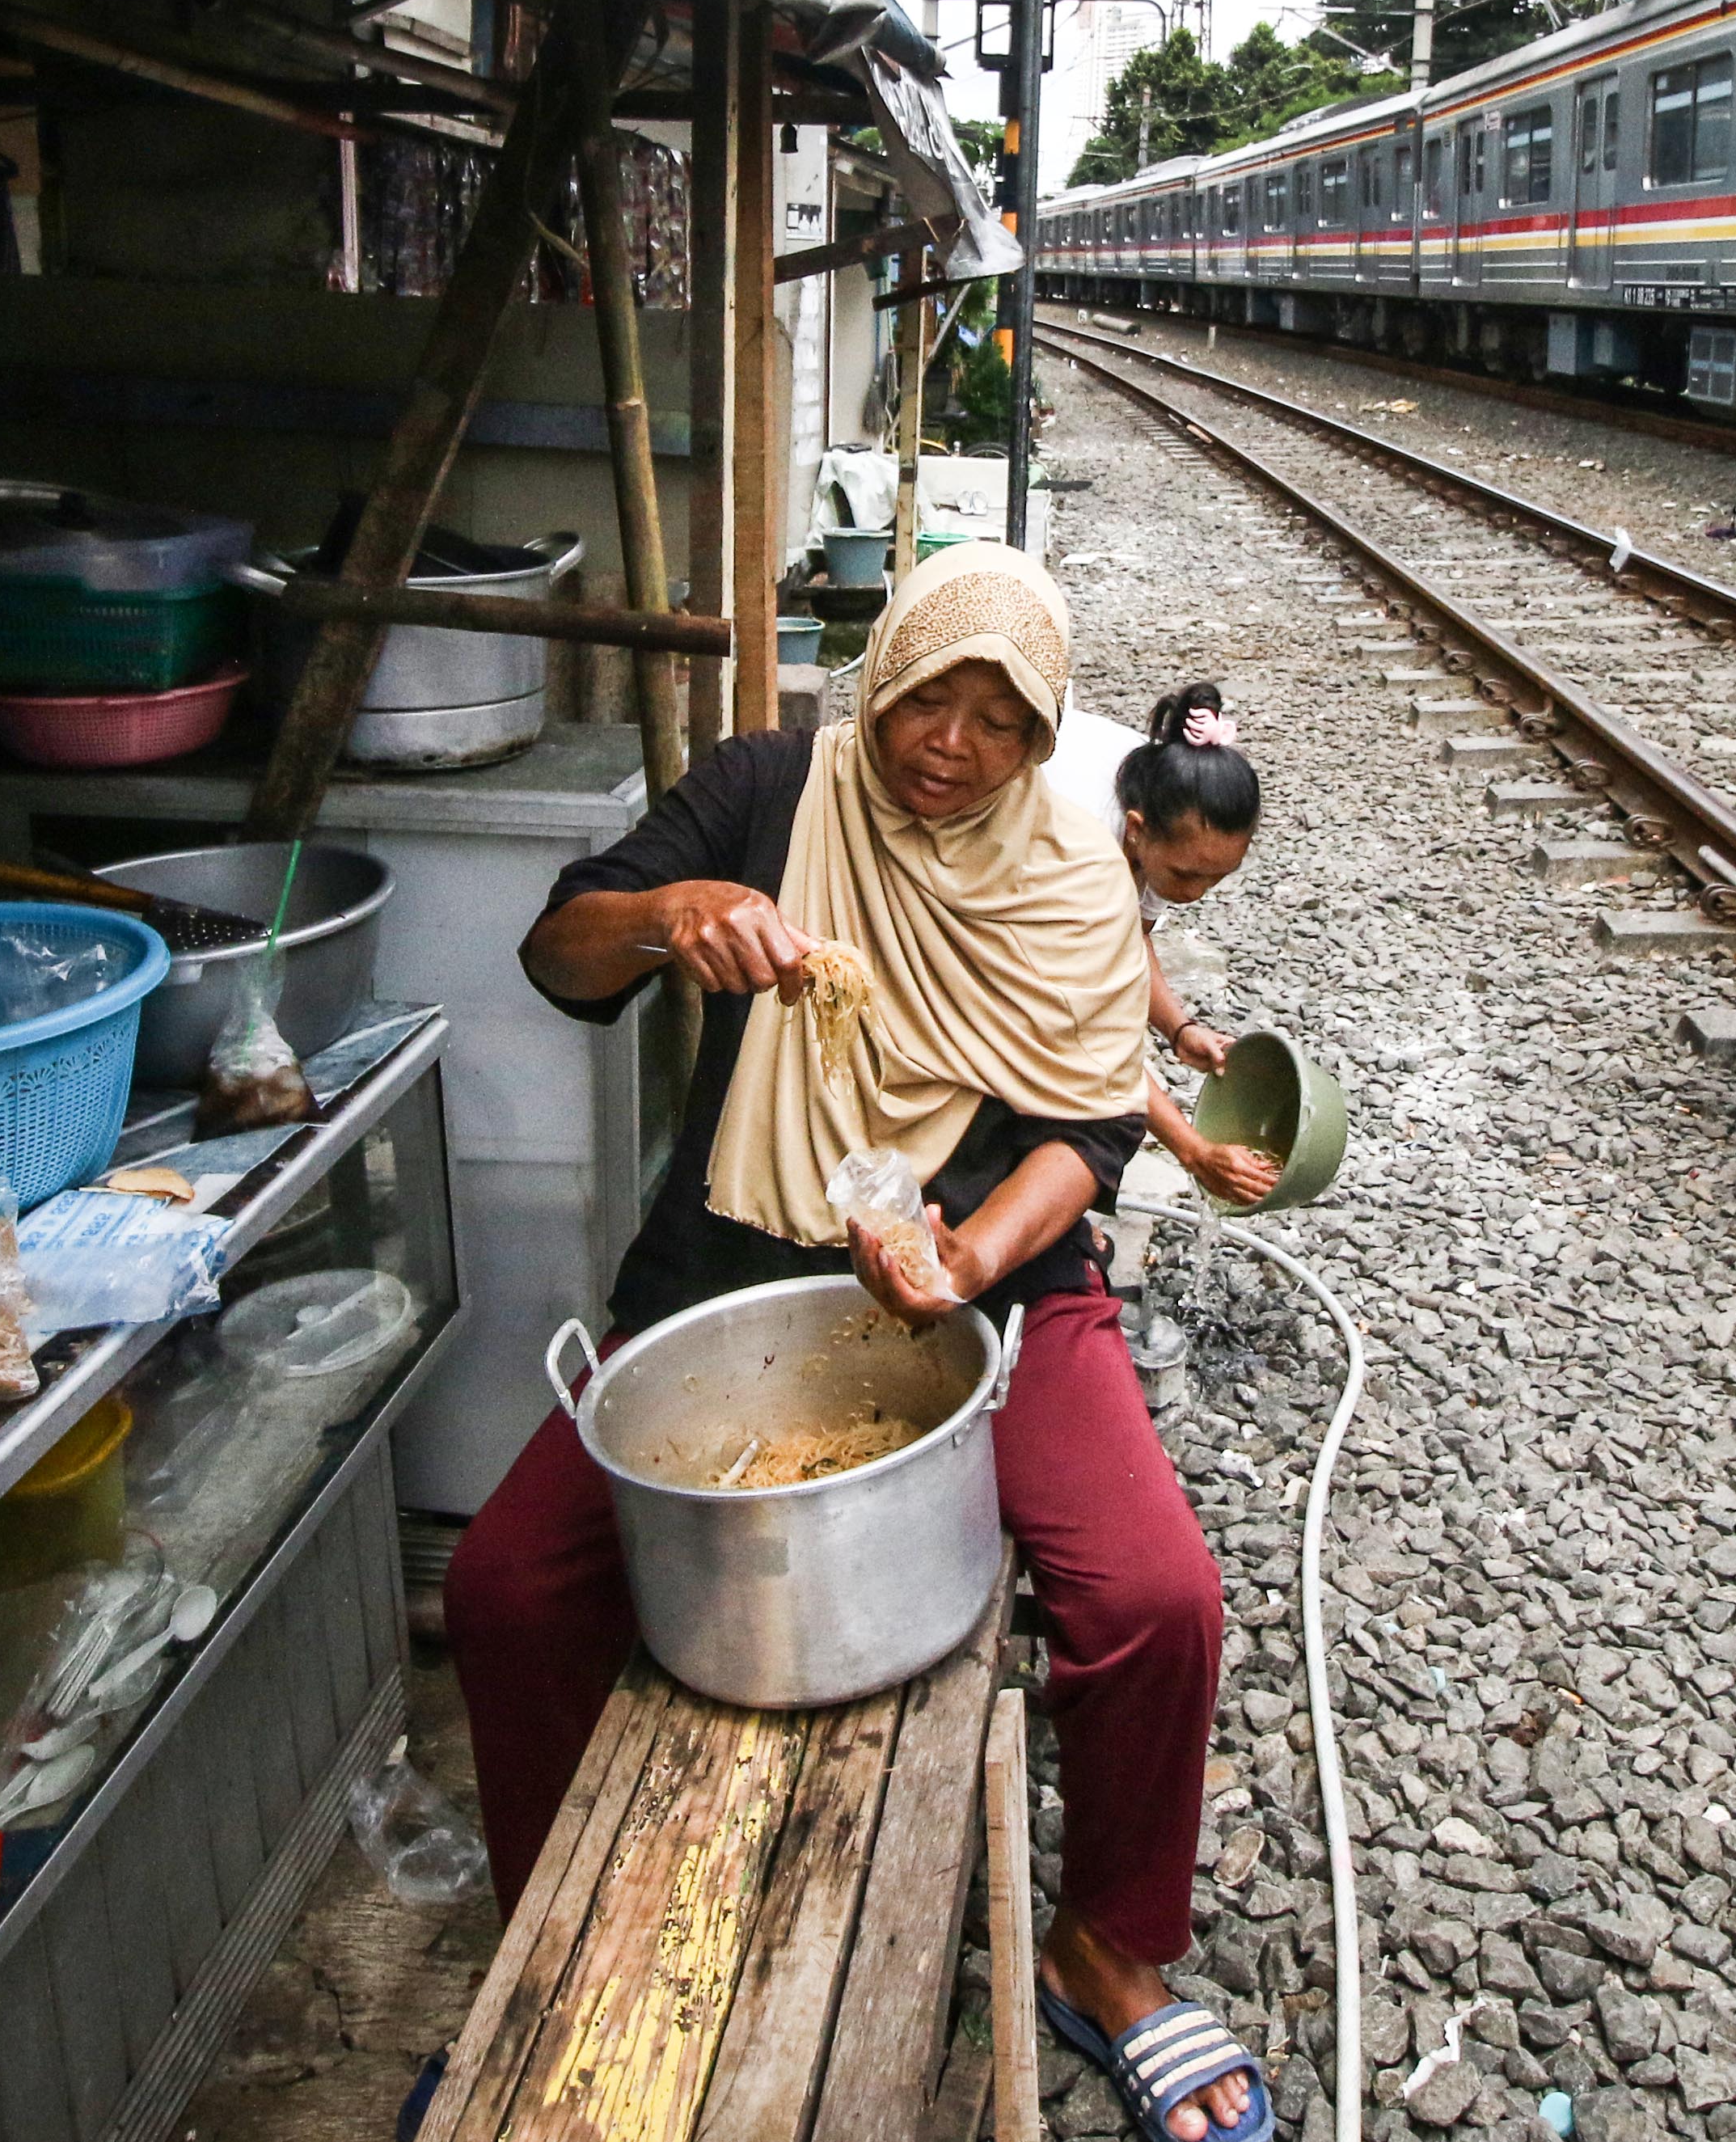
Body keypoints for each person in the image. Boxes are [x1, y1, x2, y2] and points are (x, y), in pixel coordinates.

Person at [460, 545, 1265, 2142]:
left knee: (1155, 1596)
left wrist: (969, 1250)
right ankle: (557, 1945)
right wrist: (661, 916)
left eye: (996, 717)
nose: (944, 745)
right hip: (730, 1276)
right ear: (879, 668)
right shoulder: (772, 789)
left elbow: (1089, 1129)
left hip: (998, 1292)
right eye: (923, 695)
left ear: (1042, 739)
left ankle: (1104, 1947)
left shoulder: (1064, 870)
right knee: (502, 1587)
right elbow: (561, 955)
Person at [1045, 684, 1278, 1204]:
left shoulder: (1171, 792)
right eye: (1185, 875)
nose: (1194, 894)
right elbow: (1079, 1029)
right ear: (1136, 831)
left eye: (1216, 880)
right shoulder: (1078, 849)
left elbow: (1133, 936)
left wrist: (1179, 1029)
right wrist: (1192, 1150)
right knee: (1092, 1112)